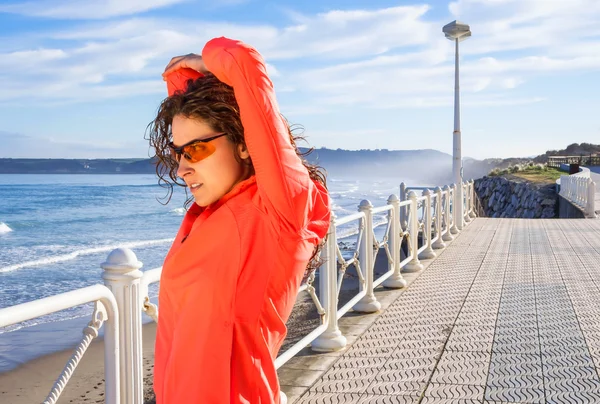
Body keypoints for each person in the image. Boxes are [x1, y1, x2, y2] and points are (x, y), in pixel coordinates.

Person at [147, 36, 331, 403]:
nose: (182, 167)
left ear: (246, 142)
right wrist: (187, 83)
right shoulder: (206, 216)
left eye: (197, 149)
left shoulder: (278, 209)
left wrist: (203, 62)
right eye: (177, 152)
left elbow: (244, 64)